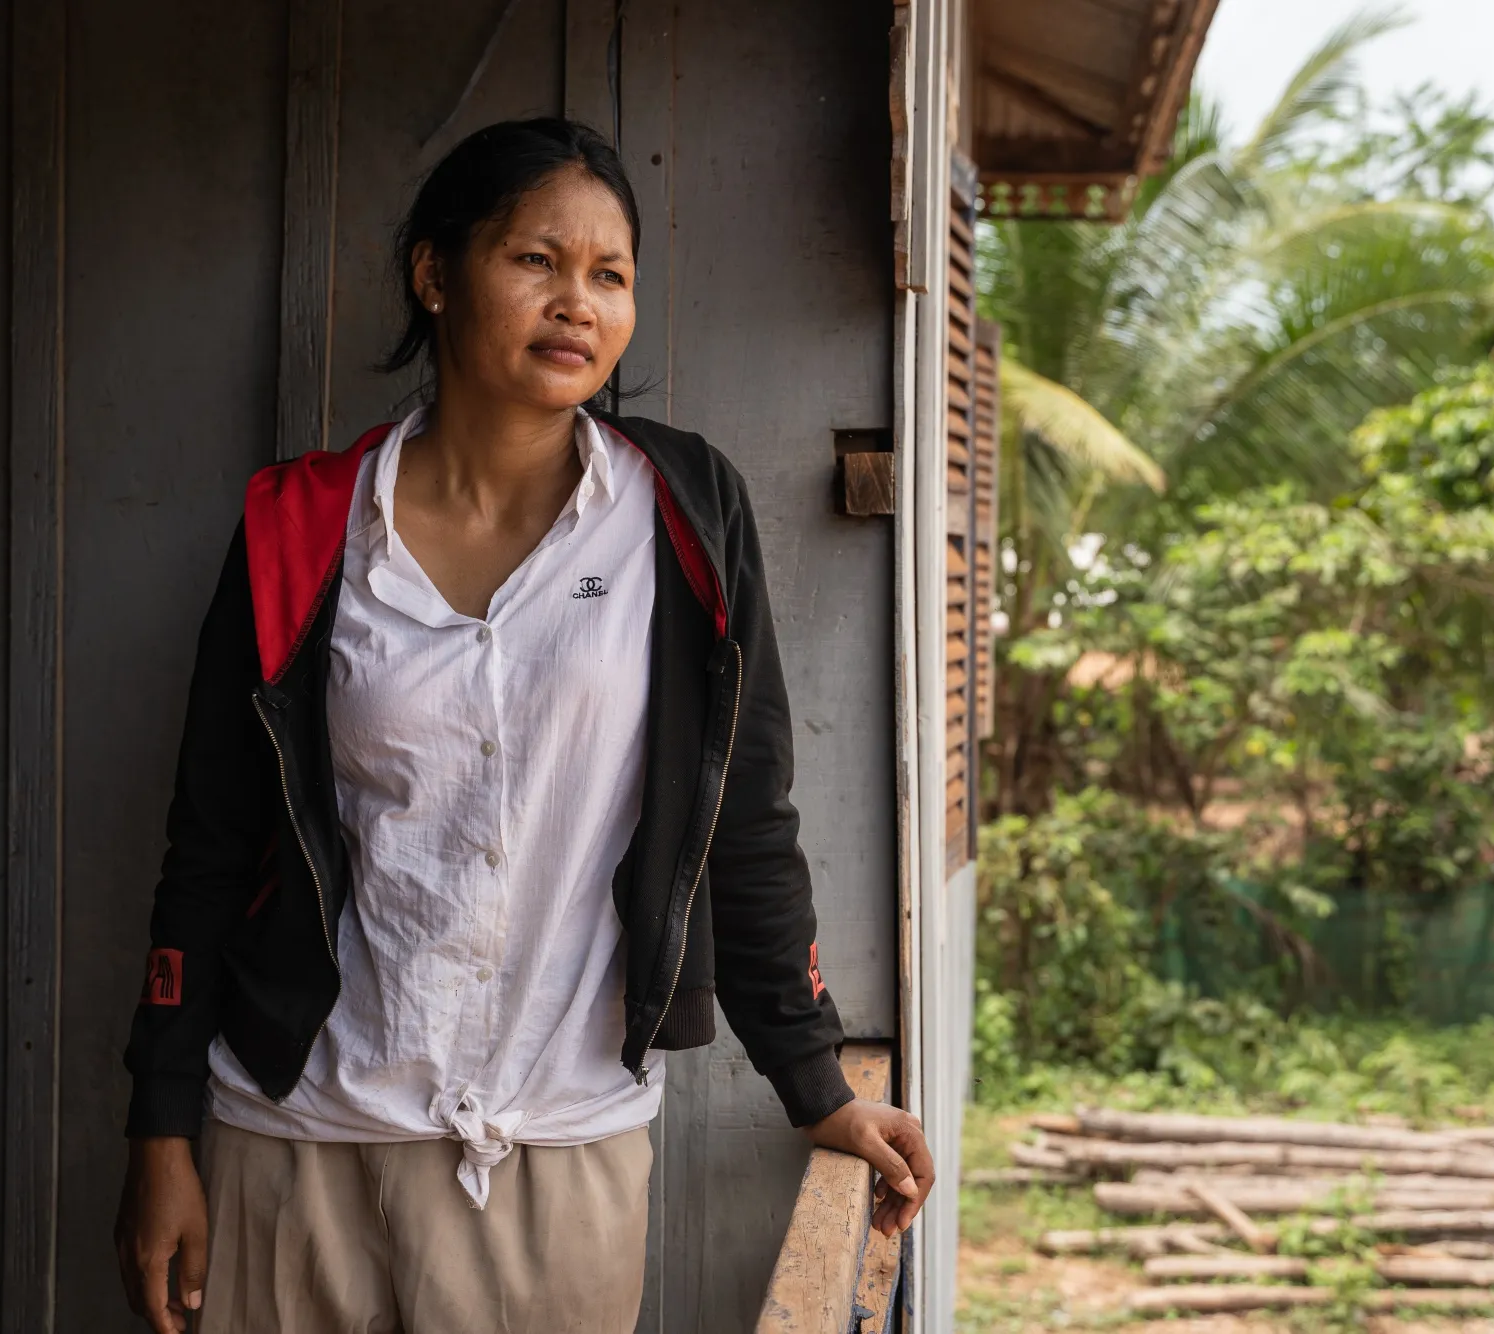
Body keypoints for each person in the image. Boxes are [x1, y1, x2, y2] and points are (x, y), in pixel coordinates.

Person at [112, 117, 934, 1334]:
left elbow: (742, 817)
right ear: (434, 273)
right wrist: (161, 1126)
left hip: (555, 1148)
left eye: (610, 274)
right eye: (535, 260)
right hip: (293, 1140)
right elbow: (212, 843)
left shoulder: (680, 514)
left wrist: (813, 1079)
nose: (576, 303)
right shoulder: (303, 527)